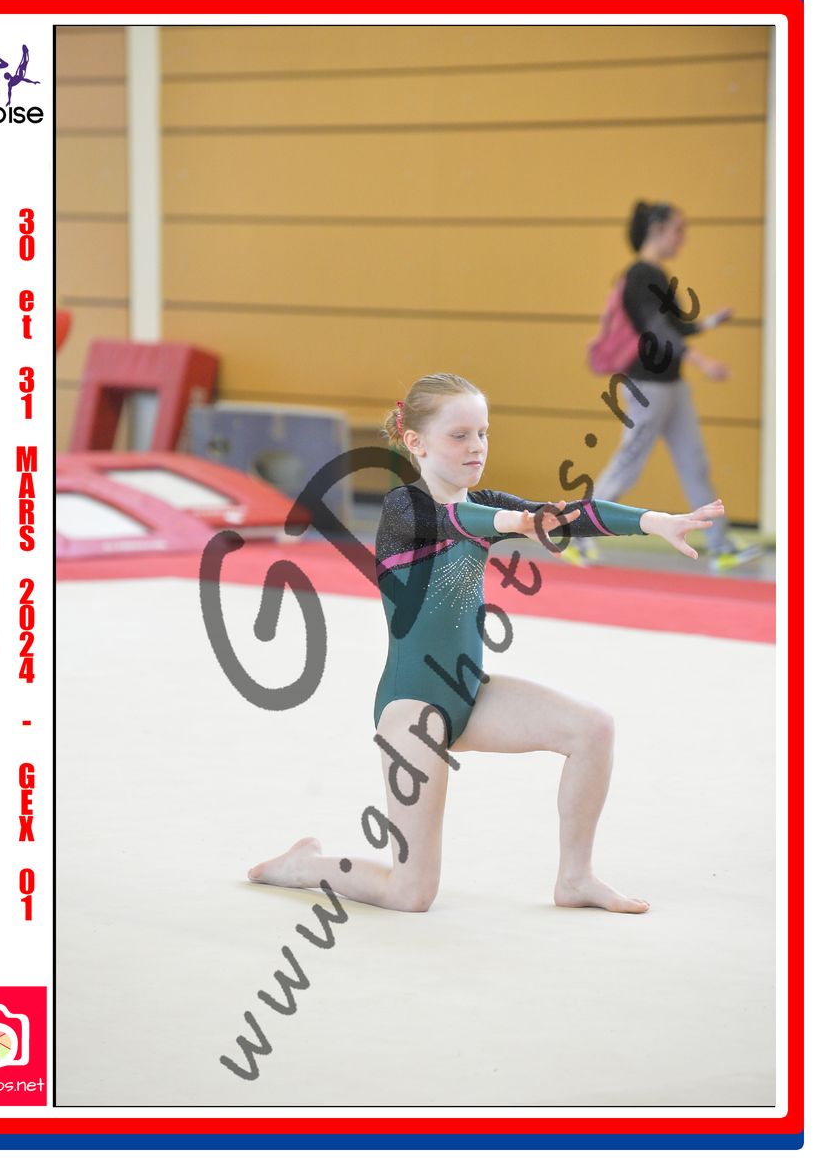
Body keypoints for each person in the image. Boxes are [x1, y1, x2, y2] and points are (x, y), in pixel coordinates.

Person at [248, 373, 725, 915]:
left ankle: (576, 878)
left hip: (470, 696)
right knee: (411, 893)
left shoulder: (485, 504)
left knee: (593, 728)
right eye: (459, 435)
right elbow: (456, 520)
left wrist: (655, 521)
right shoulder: (404, 508)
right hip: (412, 709)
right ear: (416, 442)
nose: (476, 446)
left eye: (483, 433)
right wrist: (514, 521)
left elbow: (565, 515)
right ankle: (307, 865)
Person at [564, 200, 760, 572]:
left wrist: (712, 322)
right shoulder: (640, 276)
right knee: (628, 464)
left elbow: (678, 327)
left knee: (694, 464)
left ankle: (720, 547)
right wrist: (703, 362)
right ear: (656, 230)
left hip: (672, 385)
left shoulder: (657, 274)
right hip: (646, 386)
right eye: (678, 230)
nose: (682, 238)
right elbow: (658, 331)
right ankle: (577, 534)